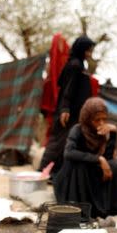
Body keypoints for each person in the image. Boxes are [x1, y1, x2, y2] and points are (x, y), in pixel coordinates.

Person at [53, 97, 117, 219]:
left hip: (91, 173)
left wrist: (113, 133)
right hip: (74, 178)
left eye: (104, 119)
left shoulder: (101, 132)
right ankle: (83, 208)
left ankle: (111, 206)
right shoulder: (77, 130)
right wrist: (99, 159)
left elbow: (108, 157)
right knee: (80, 165)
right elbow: (68, 153)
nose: (101, 123)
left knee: (115, 166)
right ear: (88, 119)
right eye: (97, 120)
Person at [39, 35, 96, 177]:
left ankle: (57, 174)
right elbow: (68, 88)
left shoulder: (80, 64)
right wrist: (65, 109)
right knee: (58, 142)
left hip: (75, 113)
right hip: (68, 113)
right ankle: (43, 172)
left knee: (67, 143)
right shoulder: (75, 65)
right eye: (88, 51)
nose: (90, 54)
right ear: (81, 50)